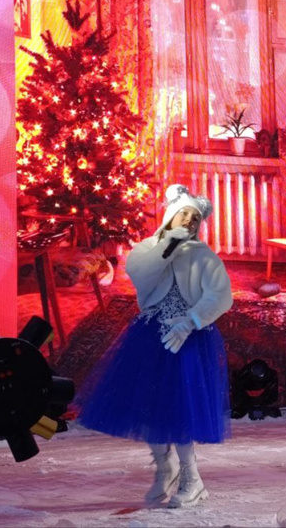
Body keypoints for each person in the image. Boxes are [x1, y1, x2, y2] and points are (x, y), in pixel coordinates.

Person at [76, 184, 233, 508]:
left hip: (188, 338)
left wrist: (190, 320)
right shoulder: (149, 249)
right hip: (151, 335)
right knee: (148, 403)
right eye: (183, 214)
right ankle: (166, 467)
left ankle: (192, 479)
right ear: (170, 215)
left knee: (180, 407)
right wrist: (167, 248)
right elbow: (141, 274)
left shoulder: (204, 256)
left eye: (194, 218)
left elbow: (221, 295)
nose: (188, 221)